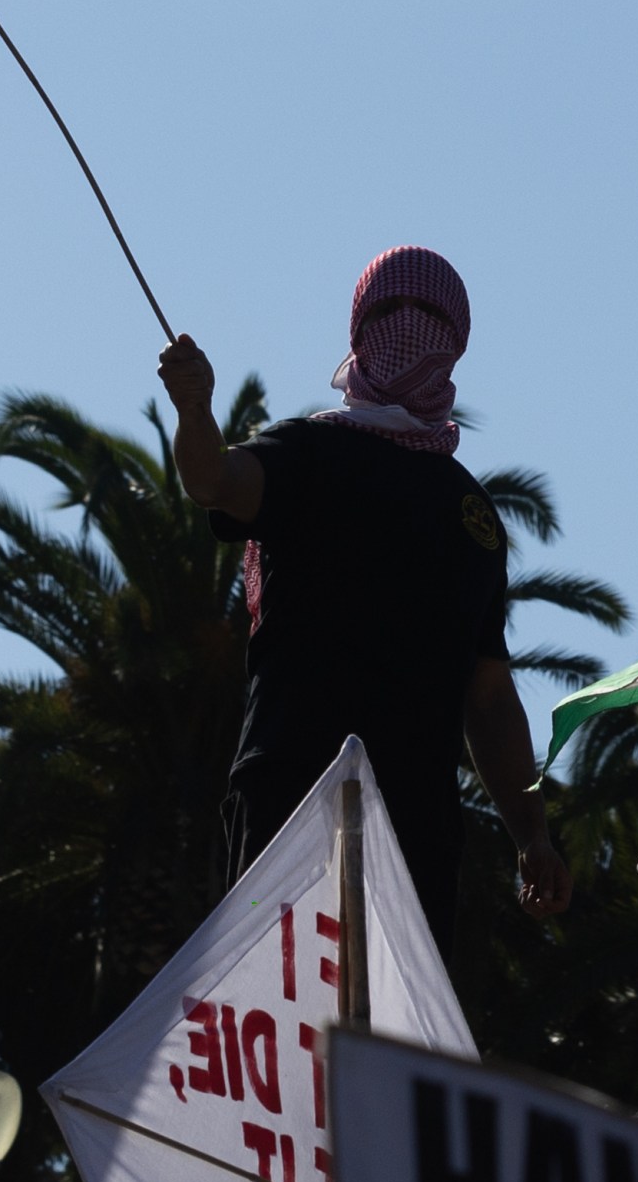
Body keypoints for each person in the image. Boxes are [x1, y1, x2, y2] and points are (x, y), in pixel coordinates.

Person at [157, 247, 572, 957]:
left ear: (459, 341)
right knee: (275, 1027)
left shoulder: (470, 511)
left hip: (413, 829)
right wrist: (195, 411)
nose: (408, 327)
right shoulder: (309, 452)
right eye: (387, 311)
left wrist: (531, 829)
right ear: (357, 329)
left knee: (390, 1057)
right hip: (288, 803)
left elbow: (491, 695)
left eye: (431, 315)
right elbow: (217, 483)